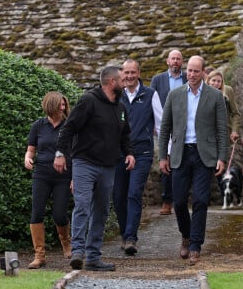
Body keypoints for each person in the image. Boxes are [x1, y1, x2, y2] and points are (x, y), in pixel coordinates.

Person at [54, 66, 135, 272]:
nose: (126, 84)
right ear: (111, 83)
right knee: (82, 204)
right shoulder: (88, 101)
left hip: (108, 166)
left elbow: (125, 135)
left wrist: (129, 153)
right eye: (122, 80)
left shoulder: (120, 108)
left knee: (101, 210)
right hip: (85, 163)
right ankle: (78, 252)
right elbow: (69, 128)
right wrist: (60, 153)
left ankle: (93, 257)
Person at [158, 55, 228, 266]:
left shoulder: (215, 96)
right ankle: (186, 235)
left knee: (200, 200)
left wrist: (222, 157)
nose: (192, 74)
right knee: (178, 201)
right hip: (180, 153)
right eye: (189, 70)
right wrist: (163, 156)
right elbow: (165, 129)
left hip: (203, 155)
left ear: (203, 72)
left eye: (196, 71)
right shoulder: (175, 94)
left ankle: (196, 245)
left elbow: (222, 130)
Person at [113, 59, 163, 255]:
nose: (129, 76)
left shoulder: (150, 94)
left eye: (133, 72)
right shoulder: (116, 96)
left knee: (134, 193)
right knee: (118, 196)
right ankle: (124, 233)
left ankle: (131, 237)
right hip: (118, 154)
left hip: (142, 152)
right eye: (126, 73)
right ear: (121, 74)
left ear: (139, 73)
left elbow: (160, 125)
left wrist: (165, 153)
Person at [24, 91, 72, 269]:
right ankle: (39, 255)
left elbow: (75, 153)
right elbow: (31, 149)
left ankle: (66, 242)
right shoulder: (39, 125)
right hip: (41, 174)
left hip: (63, 176)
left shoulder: (69, 126)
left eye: (64, 104)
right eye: (60, 104)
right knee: (36, 213)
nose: (63, 107)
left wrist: (74, 178)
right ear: (50, 105)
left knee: (59, 214)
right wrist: (28, 158)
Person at [150, 49, 187, 215]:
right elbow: (149, 103)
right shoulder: (158, 80)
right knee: (166, 162)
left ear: (182, 62)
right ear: (167, 61)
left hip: (185, 126)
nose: (175, 62)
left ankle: (182, 199)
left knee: (184, 162)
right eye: (173, 59)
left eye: (178, 59)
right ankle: (167, 201)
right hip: (164, 127)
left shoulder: (188, 78)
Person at [206, 69, 241, 143]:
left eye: (219, 81)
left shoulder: (228, 90)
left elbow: (236, 114)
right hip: (208, 135)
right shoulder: (202, 93)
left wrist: (234, 130)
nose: (216, 83)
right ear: (208, 81)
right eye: (213, 80)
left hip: (224, 134)